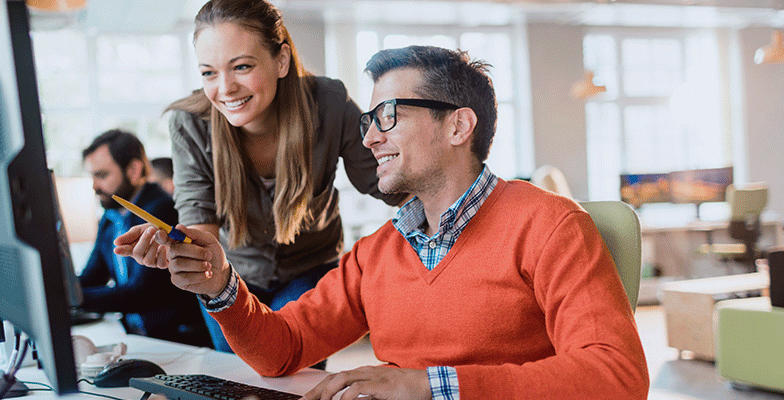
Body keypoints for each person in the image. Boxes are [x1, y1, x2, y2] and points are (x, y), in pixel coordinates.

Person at [118, 45, 649, 399]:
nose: (370, 138)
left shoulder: (550, 224)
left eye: (388, 116)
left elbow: (617, 375)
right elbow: (283, 349)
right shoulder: (378, 252)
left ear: (458, 126)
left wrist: (431, 387)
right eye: (369, 121)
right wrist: (219, 286)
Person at [155, 0, 406, 353]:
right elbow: (199, 222)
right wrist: (178, 250)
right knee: (239, 377)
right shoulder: (190, 124)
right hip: (230, 275)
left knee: (295, 371)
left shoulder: (328, 104)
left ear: (282, 60)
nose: (225, 88)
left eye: (241, 66)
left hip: (310, 267)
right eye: (209, 73)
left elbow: (389, 183)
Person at [78, 129, 210, 347]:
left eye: (101, 175)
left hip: (174, 341)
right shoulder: (110, 217)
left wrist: (73, 299)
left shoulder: (161, 210)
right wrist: (58, 289)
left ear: (133, 170)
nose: (94, 186)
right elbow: (93, 276)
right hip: (136, 336)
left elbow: (141, 294)